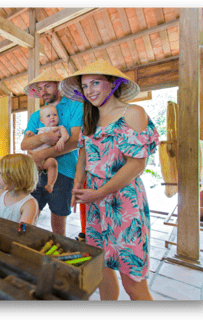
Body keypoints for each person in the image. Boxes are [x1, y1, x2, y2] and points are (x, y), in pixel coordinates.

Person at [60, 59, 160, 301]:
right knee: (102, 270)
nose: (90, 90)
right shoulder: (90, 118)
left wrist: (100, 192)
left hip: (124, 203)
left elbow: (137, 164)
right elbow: (83, 155)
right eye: (85, 86)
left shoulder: (132, 113)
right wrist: (76, 185)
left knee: (132, 281)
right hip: (95, 204)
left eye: (96, 83)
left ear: (114, 84)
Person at [20, 68, 83, 236]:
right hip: (36, 171)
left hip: (64, 170)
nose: (43, 92)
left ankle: (59, 252)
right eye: (40, 89)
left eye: (47, 86)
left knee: (58, 218)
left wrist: (42, 154)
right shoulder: (37, 115)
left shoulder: (75, 106)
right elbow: (25, 144)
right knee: (30, 213)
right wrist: (43, 138)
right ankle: (28, 247)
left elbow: (75, 140)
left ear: (58, 86)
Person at [0, 154, 39, 225]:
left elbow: (23, 231)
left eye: (1, 173)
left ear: (15, 176)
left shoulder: (29, 204)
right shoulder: (1, 194)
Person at [27, 104, 69, 194]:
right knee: (26, 158)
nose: (52, 118)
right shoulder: (41, 129)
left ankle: (50, 184)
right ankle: (27, 181)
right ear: (42, 120)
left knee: (52, 163)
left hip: (45, 160)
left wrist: (62, 140)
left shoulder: (59, 128)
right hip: (34, 157)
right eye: (48, 116)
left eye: (55, 115)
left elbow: (66, 135)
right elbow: (37, 140)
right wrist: (32, 135)